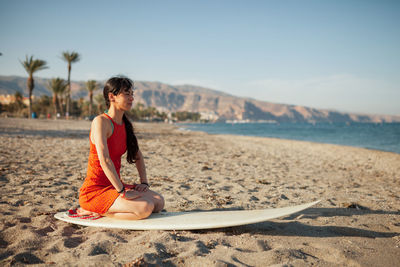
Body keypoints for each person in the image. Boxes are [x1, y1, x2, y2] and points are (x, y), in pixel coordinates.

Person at [78, 76, 164, 220]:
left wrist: (144, 183)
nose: (132, 98)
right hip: (95, 191)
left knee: (158, 202)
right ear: (112, 96)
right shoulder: (100, 122)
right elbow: (105, 160)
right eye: (127, 94)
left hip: (115, 186)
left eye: (132, 94)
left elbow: (138, 156)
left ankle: (106, 208)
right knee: (145, 208)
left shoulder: (125, 125)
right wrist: (122, 191)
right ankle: (97, 210)